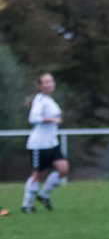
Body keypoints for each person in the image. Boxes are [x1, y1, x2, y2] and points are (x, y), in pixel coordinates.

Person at [22, 73, 66, 214]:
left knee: (63, 169)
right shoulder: (39, 100)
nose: (49, 84)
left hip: (52, 143)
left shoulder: (50, 100)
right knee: (38, 175)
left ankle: (44, 195)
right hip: (39, 144)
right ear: (40, 86)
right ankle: (26, 204)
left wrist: (57, 118)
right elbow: (33, 118)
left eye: (51, 81)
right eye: (46, 82)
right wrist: (52, 120)